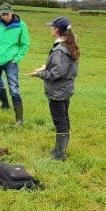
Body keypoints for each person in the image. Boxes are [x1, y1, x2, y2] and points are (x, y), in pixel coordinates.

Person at [28, 16, 79, 160]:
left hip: (58, 91)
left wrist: (39, 73)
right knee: (64, 118)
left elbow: (57, 73)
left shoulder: (60, 50)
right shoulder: (70, 44)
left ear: (57, 30)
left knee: (60, 121)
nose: (51, 29)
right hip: (65, 89)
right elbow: (64, 67)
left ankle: (59, 155)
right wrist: (47, 67)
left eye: (52, 27)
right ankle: (60, 150)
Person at [0, 3, 30, 126]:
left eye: (6, 14)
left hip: (11, 63)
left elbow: (25, 44)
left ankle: (19, 120)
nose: (4, 16)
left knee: (14, 90)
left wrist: (16, 58)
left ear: (11, 12)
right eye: (2, 14)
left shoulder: (21, 25)